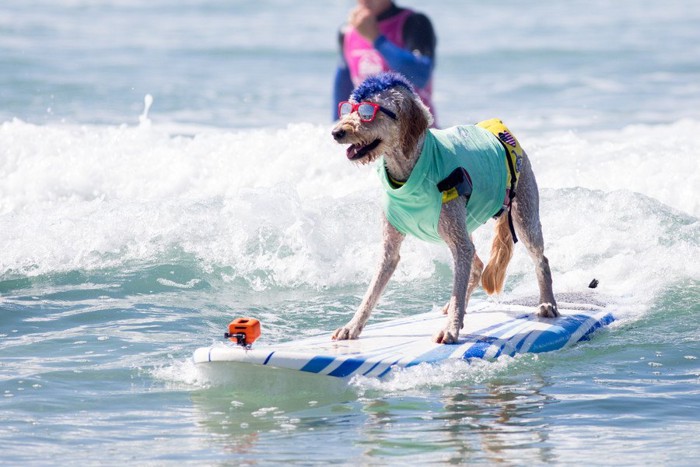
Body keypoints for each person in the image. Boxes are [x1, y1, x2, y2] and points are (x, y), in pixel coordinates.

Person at [332, 0, 437, 123]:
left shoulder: (414, 23)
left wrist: (376, 39)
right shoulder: (347, 32)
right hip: (370, 135)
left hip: (416, 134)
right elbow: (343, 89)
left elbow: (421, 76)